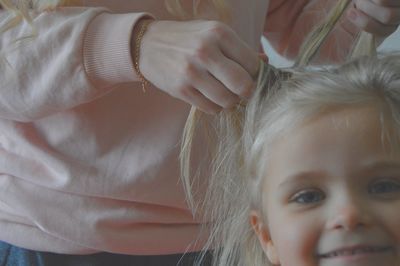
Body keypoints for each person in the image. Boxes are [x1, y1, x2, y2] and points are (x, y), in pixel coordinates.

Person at [0, 0, 399, 265]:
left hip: (223, 230)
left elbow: (298, 20)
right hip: (54, 233)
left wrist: (355, 15)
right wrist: (132, 45)